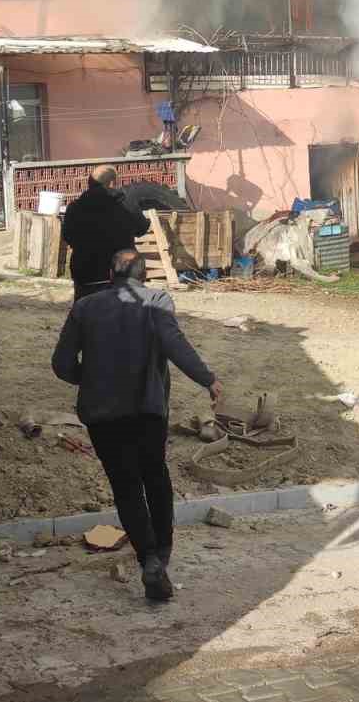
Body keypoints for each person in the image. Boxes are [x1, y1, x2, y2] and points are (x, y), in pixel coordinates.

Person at [51, 249, 222, 602]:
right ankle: (162, 552)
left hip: (101, 414)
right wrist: (208, 379)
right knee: (155, 477)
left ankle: (148, 558)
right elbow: (174, 344)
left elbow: (61, 363)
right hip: (147, 410)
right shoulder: (156, 301)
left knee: (126, 485)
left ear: (109, 275)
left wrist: (90, 378)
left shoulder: (85, 307)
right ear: (144, 276)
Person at [61, 165, 151, 301]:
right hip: (121, 271)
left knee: (86, 309)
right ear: (112, 183)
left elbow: (67, 236)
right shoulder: (126, 204)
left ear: (90, 183)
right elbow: (142, 228)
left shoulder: (75, 207)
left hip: (86, 273)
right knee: (123, 310)